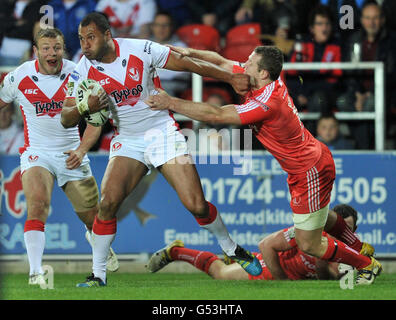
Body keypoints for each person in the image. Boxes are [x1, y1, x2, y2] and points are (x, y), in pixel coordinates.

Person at [145, 44, 382, 285]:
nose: (243, 64)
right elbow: (221, 61)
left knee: (308, 243)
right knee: (321, 217)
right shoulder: (258, 80)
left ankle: (366, 265)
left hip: (308, 169)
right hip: (310, 161)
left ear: (263, 73)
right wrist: (190, 53)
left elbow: (217, 115)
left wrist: (170, 102)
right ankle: (360, 247)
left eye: (249, 62)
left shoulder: (268, 102)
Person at [60, 12, 259, 287]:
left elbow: (187, 63)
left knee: (197, 205)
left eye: (91, 38)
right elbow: (65, 116)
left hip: (162, 133)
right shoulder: (82, 69)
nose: (85, 45)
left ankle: (231, 249)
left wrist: (228, 77)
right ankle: (98, 275)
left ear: (108, 35)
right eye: (82, 39)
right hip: (128, 140)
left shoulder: (140, 48)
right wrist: (85, 108)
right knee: (106, 204)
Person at [0, 27, 118, 285]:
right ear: (36, 51)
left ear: (63, 49)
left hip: (71, 153)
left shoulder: (79, 74)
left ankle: (95, 239)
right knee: (38, 206)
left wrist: (82, 149)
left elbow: (96, 121)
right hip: (36, 153)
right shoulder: (19, 76)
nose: (52, 53)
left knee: (93, 217)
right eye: (46, 48)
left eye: (56, 48)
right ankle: (35, 273)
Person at [147, 204, 361, 281]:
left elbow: (332, 277)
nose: (342, 234)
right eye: (338, 229)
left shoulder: (351, 250)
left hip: (292, 273)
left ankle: (234, 260)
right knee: (221, 275)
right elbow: (266, 245)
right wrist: (281, 282)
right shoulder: (305, 231)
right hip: (275, 266)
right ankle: (175, 252)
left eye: (348, 230)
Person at [340, 1, 396, 149]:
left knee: (372, 103)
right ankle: (365, 147)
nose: (372, 22)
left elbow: (391, 75)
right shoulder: (353, 39)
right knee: (342, 102)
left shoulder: (392, 41)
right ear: (362, 20)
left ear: (382, 20)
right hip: (357, 92)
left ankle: (365, 149)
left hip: (383, 92)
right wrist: (358, 94)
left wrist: (369, 94)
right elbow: (348, 72)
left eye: (376, 18)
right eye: (368, 18)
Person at [287, 4, 342, 115]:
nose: (324, 28)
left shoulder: (337, 46)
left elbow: (335, 80)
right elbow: (291, 74)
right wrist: (300, 94)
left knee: (318, 99)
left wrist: (308, 93)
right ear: (312, 28)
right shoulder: (301, 44)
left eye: (327, 24)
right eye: (320, 24)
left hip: (325, 95)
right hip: (301, 93)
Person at [149, 11, 190, 96]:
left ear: (171, 27)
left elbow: (182, 75)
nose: (161, 29)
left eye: (165, 25)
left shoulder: (180, 47)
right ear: (152, 27)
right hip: (149, 85)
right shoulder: (146, 45)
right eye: (157, 25)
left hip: (171, 86)